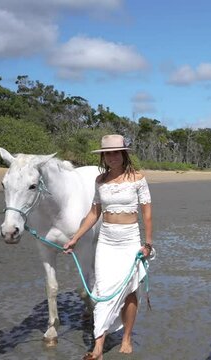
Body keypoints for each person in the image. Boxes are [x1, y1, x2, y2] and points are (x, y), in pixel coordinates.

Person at [63, 134, 153, 360]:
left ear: (123, 154)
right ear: (103, 157)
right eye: (107, 153)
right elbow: (94, 213)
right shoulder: (100, 181)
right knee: (101, 290)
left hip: (130, 240)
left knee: (130, 289)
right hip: (106, 241)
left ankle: (126, 337)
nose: (112, 157)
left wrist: (148, 244)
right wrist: (75, 237)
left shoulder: (138, 179)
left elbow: (147, 214)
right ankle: (98, 347)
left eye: (116, 152)